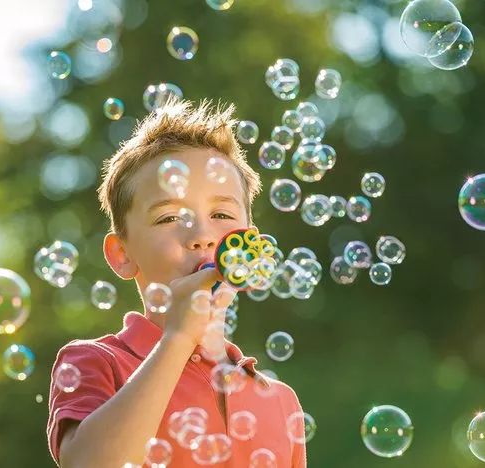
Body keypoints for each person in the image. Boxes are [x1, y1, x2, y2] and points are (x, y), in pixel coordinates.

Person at [46, 97, 308, 467]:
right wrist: (179, 338)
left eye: (220, 213)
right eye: (169, 217)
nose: (202, 235)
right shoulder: (98, 363)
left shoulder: (279, 400)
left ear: (250, 248)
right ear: (122, 254)